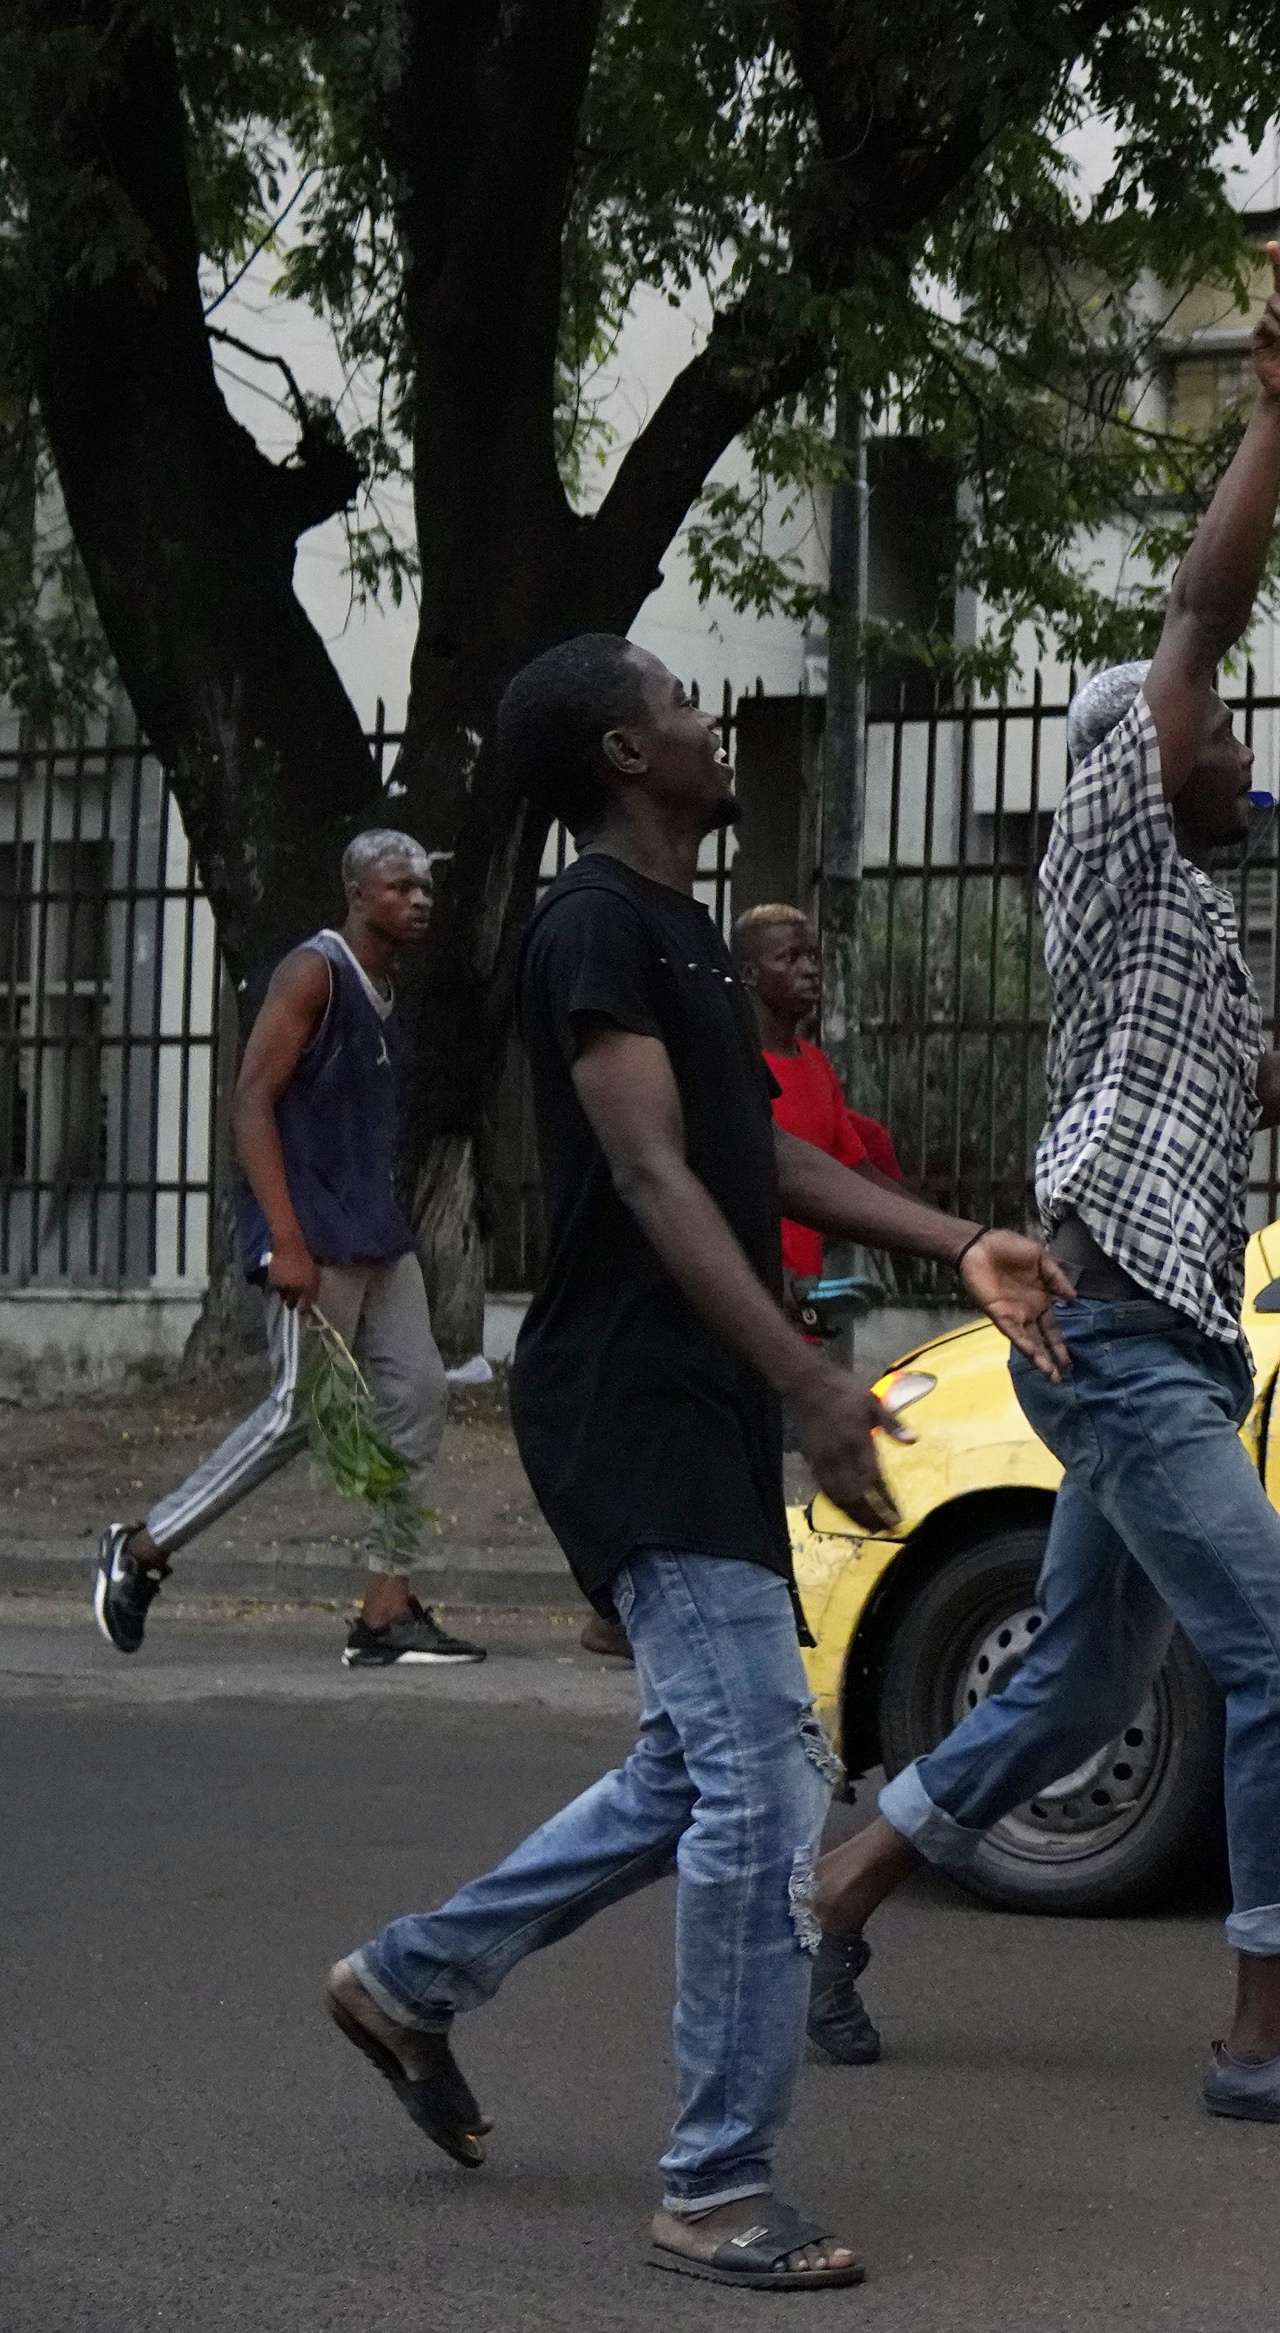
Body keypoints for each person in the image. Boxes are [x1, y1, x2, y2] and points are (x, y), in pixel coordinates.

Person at [797, 248, 1280, 2113]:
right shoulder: (1112, 847)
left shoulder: (1191, 937)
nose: (1237, 748)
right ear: (1135, 767)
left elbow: (1277, 1078)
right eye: (1213, 734)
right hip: (1124, 1338)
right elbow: (1194, 622)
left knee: (1077, 1690)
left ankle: (838, 1888)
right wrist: (1277, 411)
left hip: (1148, 1341)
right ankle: (1265, 2028)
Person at [324, 631, 1077, 2292]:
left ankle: (409, 1978)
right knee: (766, 1773)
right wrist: (812, 1380)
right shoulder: (593, 926)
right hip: (635, 1396)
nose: (706, 716)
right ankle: (717, 2178)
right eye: (677, 703)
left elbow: (765, 1149)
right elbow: (660, 1180)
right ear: (621, 754)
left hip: (699, 1394)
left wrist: (961, 1240)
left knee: (695, 1766)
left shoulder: (671, 931)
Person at [91, 830, 478, 1668]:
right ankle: (143, 1548)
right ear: (355, 891)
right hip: (314, 1238)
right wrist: (286, 1242)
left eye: (424, 886)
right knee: (298, 1414)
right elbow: (250, 1103)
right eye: (398, 885)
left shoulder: (386, 983)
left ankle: (386, 1609)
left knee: (416, 1396)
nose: (417, 898)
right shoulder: (315, 972)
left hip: (376, 1233)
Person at [735, 902, 905, 1286]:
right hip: (744, 1308)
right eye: (790, 958)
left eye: (812, 956)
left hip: (803, 1306)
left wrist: (961, 1237)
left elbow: (855, 1174)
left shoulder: (816, 1065)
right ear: (749, 973)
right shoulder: (729, 1064)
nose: (810, 970)